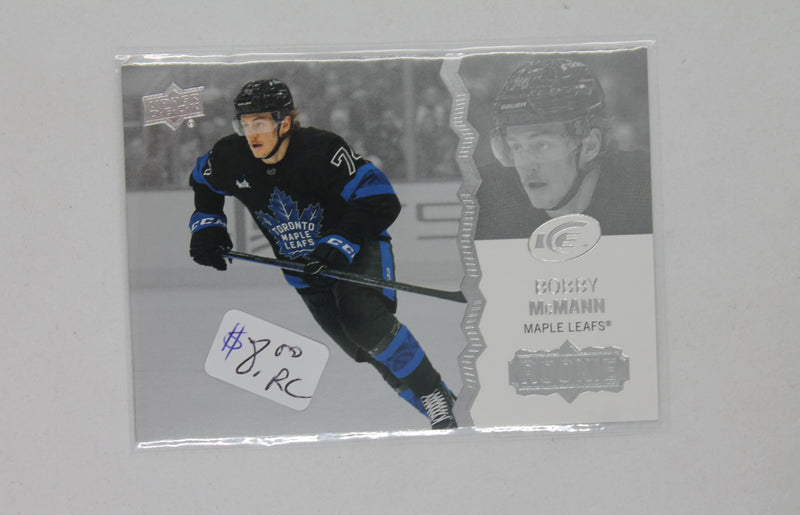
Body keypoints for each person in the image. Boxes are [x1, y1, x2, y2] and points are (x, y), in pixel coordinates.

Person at [187, 79, 457, 429]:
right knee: (366, 349)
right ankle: (444, 410)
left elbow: (380, 197)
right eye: (245, 124)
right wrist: (208, 225)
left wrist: (339, 243)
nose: (251, 134)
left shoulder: (321, 150)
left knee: (365, 323)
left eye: (260, 123)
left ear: (285, 122)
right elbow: (203, 181)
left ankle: (434, 394)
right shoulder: (229, 156)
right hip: (304, 272)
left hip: (357, 250)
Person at [474, 58, 652, 240]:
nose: (527, 165)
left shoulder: (647, 189)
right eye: (516, 147)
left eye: (541, 145)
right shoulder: (485, 199)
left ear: (590, 145)